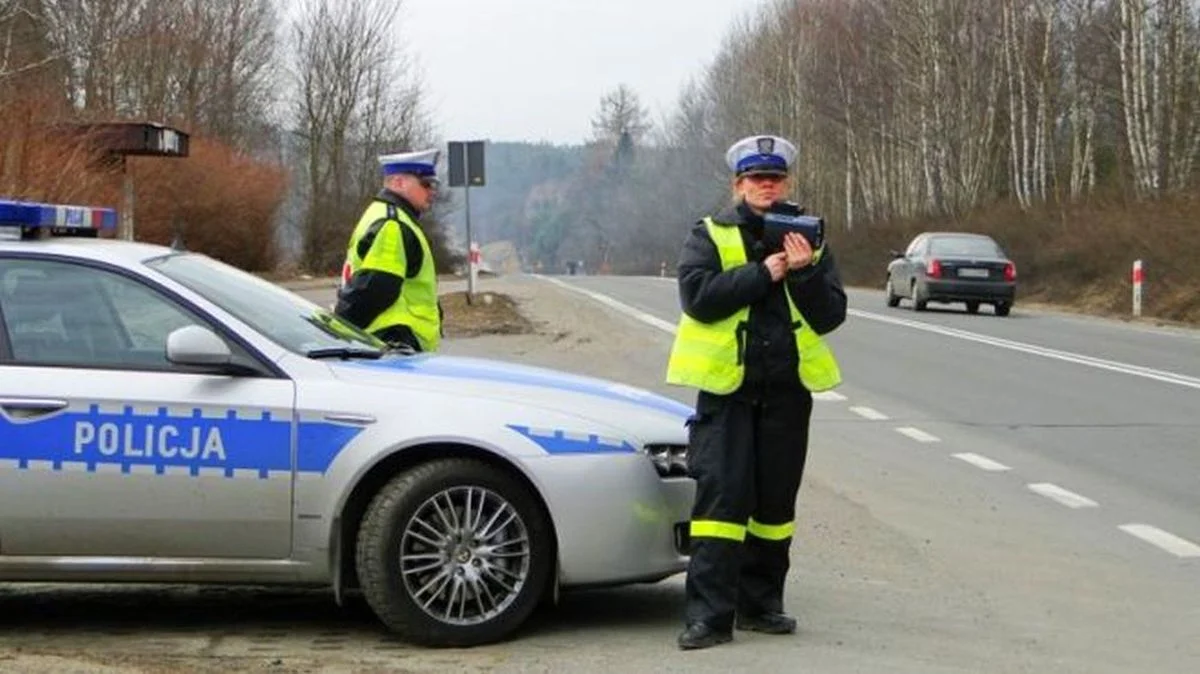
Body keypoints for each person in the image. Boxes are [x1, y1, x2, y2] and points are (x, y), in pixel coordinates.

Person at [665, 134, 847, 650]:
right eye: (756, 179)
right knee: (721, 506)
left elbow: (831, 314)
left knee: (774, 508)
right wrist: (761, 273)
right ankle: (707, 618)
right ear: (738, 184)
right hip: (728, 394)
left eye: (774, 178)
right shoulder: (711, 234)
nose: (766, 186)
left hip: (787, 394)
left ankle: (762, 606)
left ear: (786, 183)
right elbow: (697, 298)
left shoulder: (810, 239)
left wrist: (807, 270)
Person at [335, 148, 443, 353]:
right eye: (426, 184)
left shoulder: (387, 214)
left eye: (434, 185)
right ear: (399, 182)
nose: (432, 191)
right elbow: (377, 287)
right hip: (394, 341)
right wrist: (340, 327)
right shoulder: (392, 224)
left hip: (389, 340)